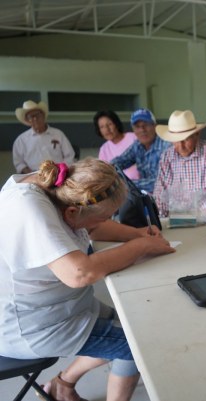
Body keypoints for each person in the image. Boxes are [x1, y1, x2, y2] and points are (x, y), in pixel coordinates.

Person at [0, 158, 175, 401]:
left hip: (64, 308)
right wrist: (140, 246)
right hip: (34, 326)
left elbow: (90, 226)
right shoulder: (28, 207)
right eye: (105, 217)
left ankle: (61, 385)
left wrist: (137, 233)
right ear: (72, 212)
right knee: (138, 347)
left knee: (136, 327)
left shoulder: (61, 189)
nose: (106, 222)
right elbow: (80, 273)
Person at [153, 109, 206, 216]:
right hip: (175, 216)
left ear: (197, 134)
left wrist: (203, 211)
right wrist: (161, 216)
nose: (181, 146)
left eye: (185, 139)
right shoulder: (167, 156)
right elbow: (159, 190)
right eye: (176, 140)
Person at [111, 108, 171, 193]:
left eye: (146, 125)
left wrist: (126, 183)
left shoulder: (166, 145)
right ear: (133, 130)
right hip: (147, 196)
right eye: (137, 127)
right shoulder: (138, 145)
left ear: (155, 126)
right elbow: (121, 160)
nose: (142, 130)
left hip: (166, 197)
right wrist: (105, 169)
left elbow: (163, 182)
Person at [13, 100, 75, 174]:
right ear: (27, 120)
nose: (35, 118)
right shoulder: (21, 140)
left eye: (37, 115)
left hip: (58, 175)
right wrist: (31, 174)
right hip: (33, 176)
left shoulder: (58, 134)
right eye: (31, 117)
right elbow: (19, 163)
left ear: (43, 115)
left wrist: (60, 171)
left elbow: (70, 156)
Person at [94, 110, 140, 180]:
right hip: (120, 188)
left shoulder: (134, 138)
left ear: (116, 124)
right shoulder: (104, 149)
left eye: (109, 124)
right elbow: (104, 174)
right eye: (102, 127)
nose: (107, 129)